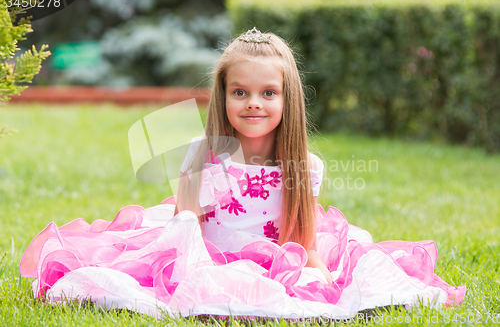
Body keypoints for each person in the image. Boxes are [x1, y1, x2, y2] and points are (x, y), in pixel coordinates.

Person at [20, 28, 465, 319]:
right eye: (241, 92)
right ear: (224, 96)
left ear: (287, 99)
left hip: (274, 257)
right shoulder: (203, 155)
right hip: (206, 252)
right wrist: (187, 275)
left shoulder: (303, 166)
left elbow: (302, 239)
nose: (254, 102)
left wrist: (318, 277)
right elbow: (186, 222)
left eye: (268, 92)